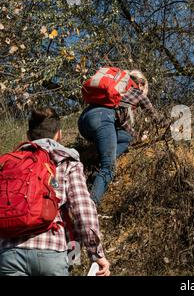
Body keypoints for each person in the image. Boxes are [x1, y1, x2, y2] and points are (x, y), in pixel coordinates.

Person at [0, 108, 110, 276]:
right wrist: (96, 254)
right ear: (59, 134)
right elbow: (83, 209)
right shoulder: (66, 162)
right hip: (51, 251)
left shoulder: (10, 162)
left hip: (9, 253)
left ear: (28, 136)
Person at [78, 69, 159, 205]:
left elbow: (125, 129)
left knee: (124, 138)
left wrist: (136, 137)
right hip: (103, 119)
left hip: (84, 121)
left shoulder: (119, 93)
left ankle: (95, 170)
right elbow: (157, 118)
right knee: (109, 166)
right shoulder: (136, 91)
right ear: (142, 84)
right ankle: (90, 207)